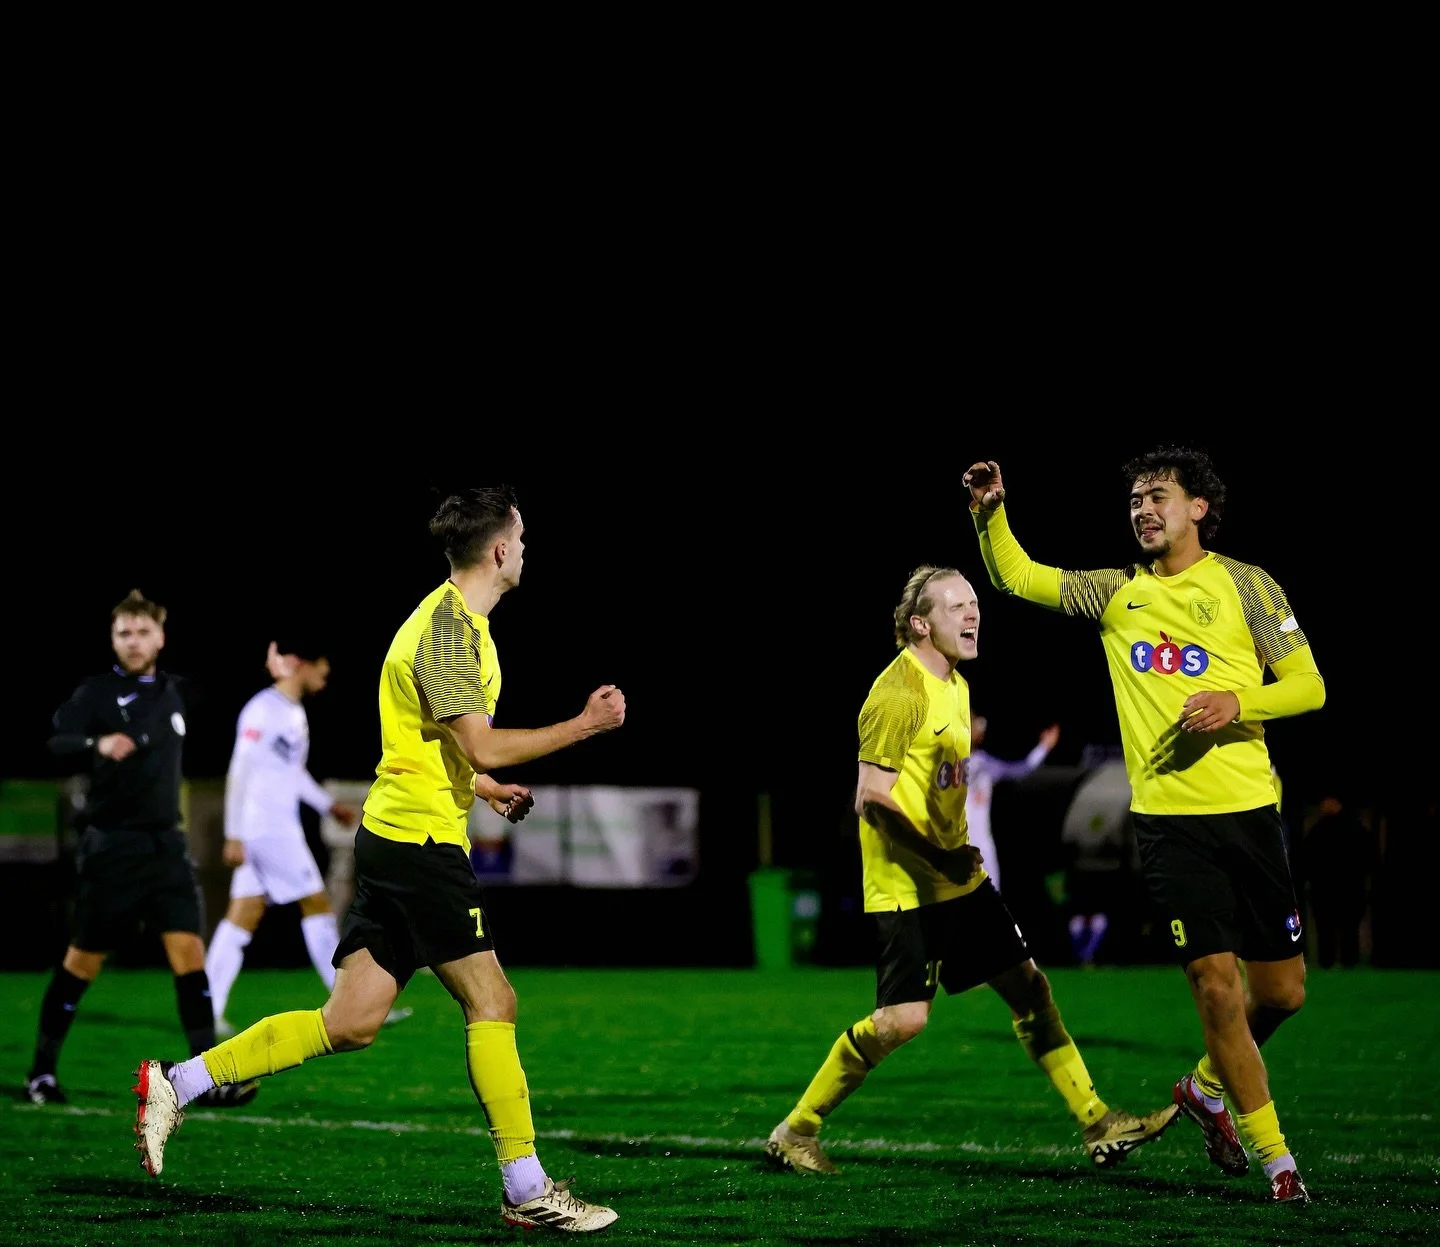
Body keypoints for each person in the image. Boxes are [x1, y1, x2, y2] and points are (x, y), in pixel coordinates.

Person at [133, 486, 626, 1234]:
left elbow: (439, 744)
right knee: (494, 1002)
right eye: (520, 537)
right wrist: (584, 725)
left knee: (350, 1020)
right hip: (420, 844)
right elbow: (483, 741)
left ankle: (179, 1079)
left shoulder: (454, 624)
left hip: (398, 833)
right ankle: (526, 1186)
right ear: (498, 550)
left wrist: (481, 786)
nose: (525, 549)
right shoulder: (449, 631)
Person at [963, 447, 1325, 1204]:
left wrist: (1238, 701)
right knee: (1217, 988)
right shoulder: (1115, 592)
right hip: (1168, 825)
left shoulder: (1246, 583)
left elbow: (1308, 684)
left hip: (1250, 811)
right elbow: (1019, 577)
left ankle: (1204, 1087)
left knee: (1284, 993)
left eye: (1157, 495)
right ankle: (1279, 1164)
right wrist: (990, 513)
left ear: (1199, 506)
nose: (1142, 508)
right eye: (1134, 499)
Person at [764, 565, 1178, 1178]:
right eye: (957, 606)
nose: (973, 614)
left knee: (1031, 989)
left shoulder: (954, 685)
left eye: (975, 604)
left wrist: (955, 858)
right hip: (910, 889)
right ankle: (795, 1130)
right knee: (902, 1022)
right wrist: (942, 854)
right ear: (919, 624)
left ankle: (1097, 1122)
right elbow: (870, 798)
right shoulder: (898, 693)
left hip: (960, 883)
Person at [25, 589, 256, 1109]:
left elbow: (231, 693)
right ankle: (40, 1073)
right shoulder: (97, 694)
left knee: (189, 955)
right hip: (113, 848)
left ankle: (205, 1079)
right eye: (124, 633)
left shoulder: (176, 693)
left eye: (142, 632)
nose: (133, 642)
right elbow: (57, 740)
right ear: (113, 639)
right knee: (82, 961)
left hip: (167, 848)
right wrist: (96, 744)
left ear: (161, 637)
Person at [206, 638, 410, 1038]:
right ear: (303, 664)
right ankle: (352, 1003)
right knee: (316, 904)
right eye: (322, 669)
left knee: (243, 915)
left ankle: (207, 1007)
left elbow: (291, 774)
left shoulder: (292, 712)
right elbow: (240, 770)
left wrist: (325, 805)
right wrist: (233, 833)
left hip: (269, 829)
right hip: (267, 830)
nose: (325, 678)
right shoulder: (263, 709)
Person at [965, 714, 1060, 893]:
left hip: (980, 843)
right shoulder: (947, 763)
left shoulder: (986, 763)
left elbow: (1022, 769)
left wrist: (1043, 748)